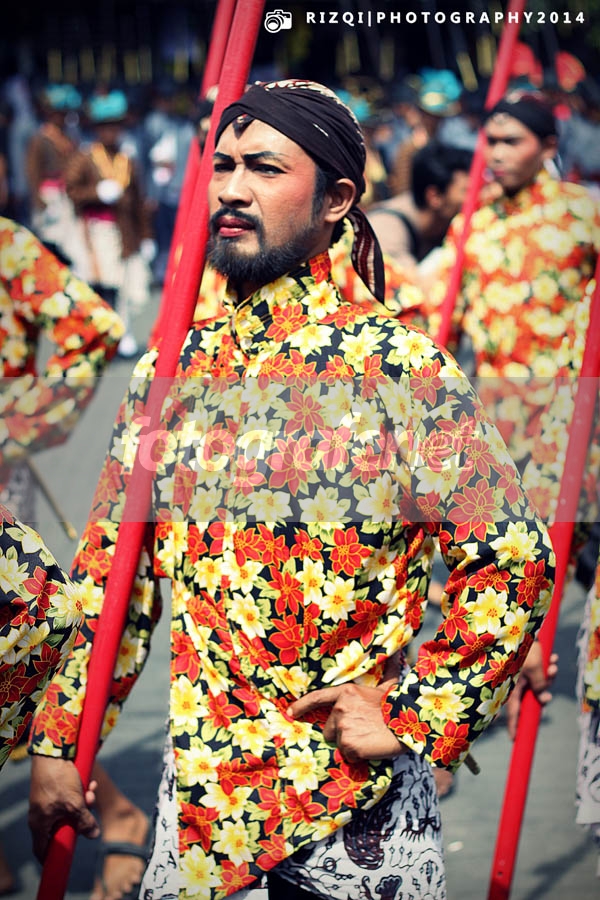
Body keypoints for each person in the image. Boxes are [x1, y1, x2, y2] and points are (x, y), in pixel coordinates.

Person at [28, 80, 554, 900]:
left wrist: (416, 712)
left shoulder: (398, 369)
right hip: (204, 816)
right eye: (224, 165)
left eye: (266, 168)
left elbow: (512, 558)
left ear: (336, 198)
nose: (233, 188)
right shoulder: (174, 372)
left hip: (353, 810)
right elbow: (114, 578)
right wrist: (63, 739)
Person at [64, 88, 155, 359]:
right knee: (103, 286)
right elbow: (71, 190)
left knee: (130, 286)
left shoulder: (128, 160)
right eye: (105, 126)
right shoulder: (85, 157)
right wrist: (97, 192)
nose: (110, 132)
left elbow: (139, 201)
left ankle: (123, 331)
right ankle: (103, 336)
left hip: (126, 232)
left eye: (115, 125)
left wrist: (147, 236)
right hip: (96, 233)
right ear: (96, 129)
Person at [367, 140, 472, 279]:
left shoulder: (450, 223)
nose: (478, 197)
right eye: (467, 191)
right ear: (434, 196)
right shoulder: (385, 228)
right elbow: (410, 287)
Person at [26, 83, 82, 263]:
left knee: (70, 241)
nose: (61, 117)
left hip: (66, 195)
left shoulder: (68, 137)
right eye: (57, 113)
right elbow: (33, 171)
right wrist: (39, 201)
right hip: (48, 196)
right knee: (50, 240)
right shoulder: (40, 138)